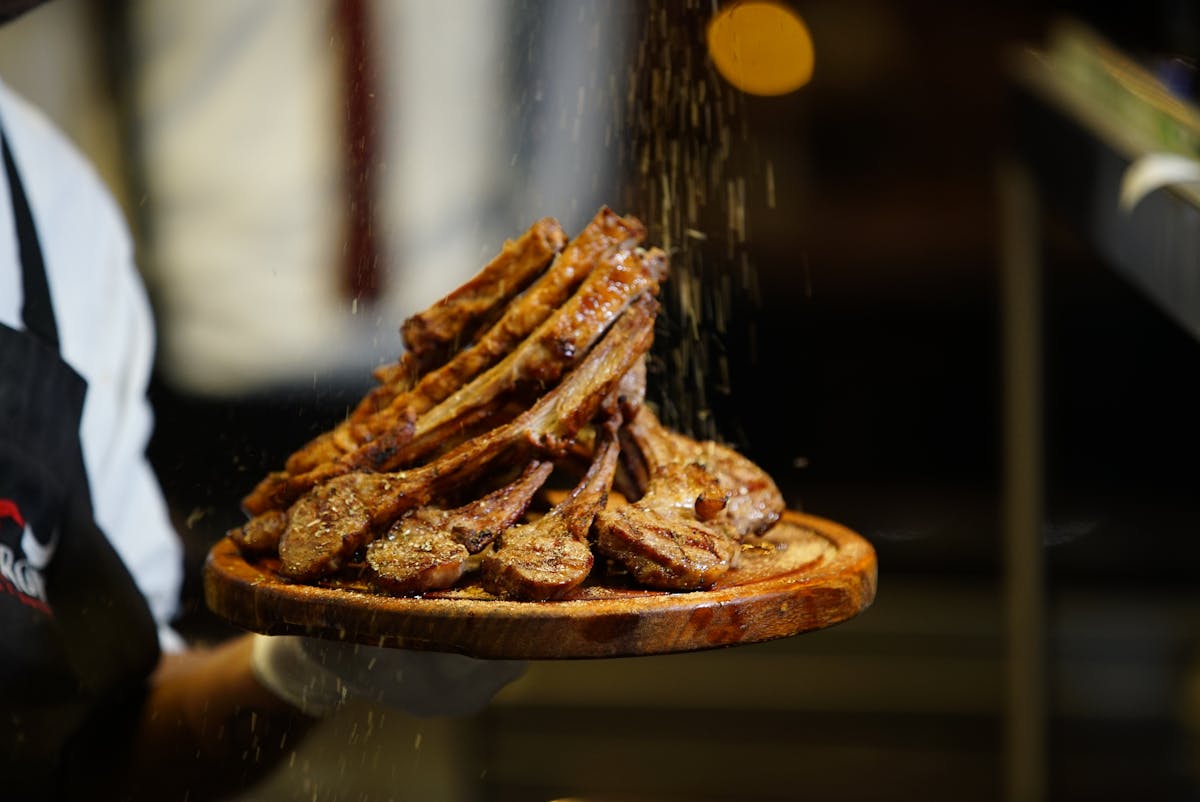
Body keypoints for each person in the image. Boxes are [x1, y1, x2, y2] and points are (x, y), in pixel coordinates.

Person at [0, 2, 524, 799]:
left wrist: (302, 663)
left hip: (419, 407)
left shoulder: (56, 208)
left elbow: (109, 733)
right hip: (205, 399)